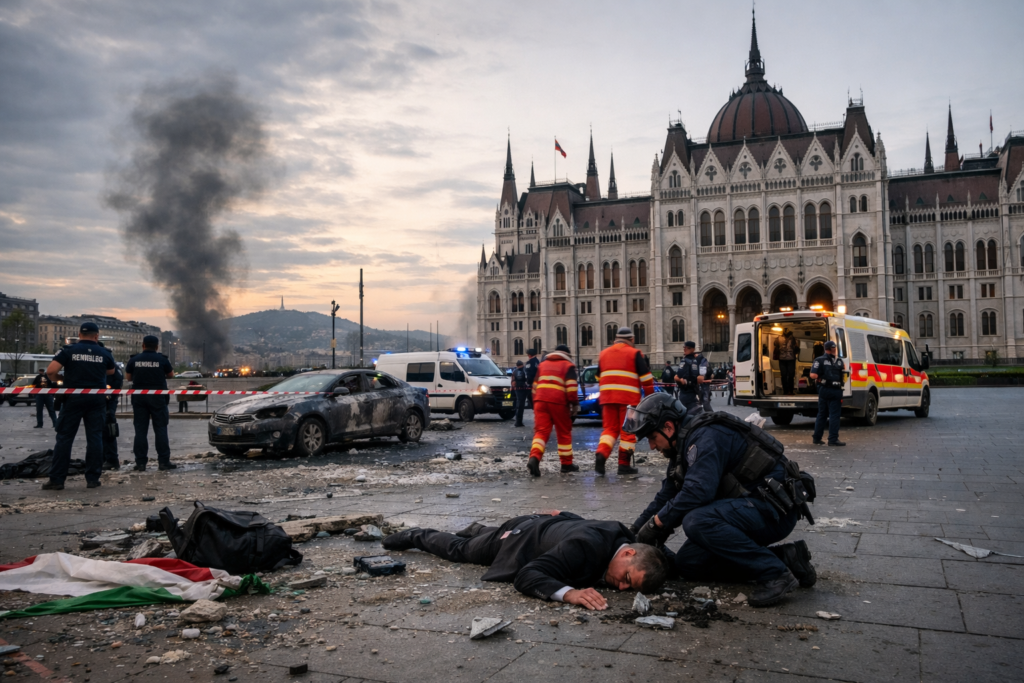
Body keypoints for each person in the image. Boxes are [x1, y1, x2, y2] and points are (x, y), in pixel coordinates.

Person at [621, 393, 817, 607]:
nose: (651, 446)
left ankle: (774, 573)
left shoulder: (705, 437)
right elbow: (667, 495)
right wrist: (635, 531)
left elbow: (697, 492)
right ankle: (788, 558)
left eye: (651, 438)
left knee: (698, 521)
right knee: (689, 564)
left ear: (668, 427)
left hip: (773, 512)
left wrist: (657, 524)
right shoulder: (684, 444)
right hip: (750, 509)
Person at [382, 511, 670, 609]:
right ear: (629, 552)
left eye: (629, 589)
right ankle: (414, 535)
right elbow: (527, 576)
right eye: (627, 579)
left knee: (481, 538)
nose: (621, 588)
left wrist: (562, 517)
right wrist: (568, 593)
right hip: (519, 538)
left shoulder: (621, 534)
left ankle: (480, 530)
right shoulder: (584, 548)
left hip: (542, 525)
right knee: (461, 550)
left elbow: (584, 522)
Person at [42, 322, 117, 490]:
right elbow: (111, 371)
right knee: (95, 438)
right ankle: (92, 479)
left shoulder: (68, 350)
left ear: (79, 334)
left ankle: (57, 480)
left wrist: (60, 377)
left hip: (73, 398)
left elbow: (50, 371)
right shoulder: (104, 352)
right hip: (96, 399)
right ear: (96, 336)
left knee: (64, 438)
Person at [595, 327, 655, 476]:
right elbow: (646, 379)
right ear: (632, 339)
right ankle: (623, 465)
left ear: (615, 339)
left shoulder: (603, 354)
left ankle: (601, 454)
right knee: (628, 431)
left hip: (607, 398)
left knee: (609, 430)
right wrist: (650, 399)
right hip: (628, 400)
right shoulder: (634, 354)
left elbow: (597, 377)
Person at [125, 335, 176, 471]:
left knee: (140, 430)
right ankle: (164, 462)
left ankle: (141, 463)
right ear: (157, 346)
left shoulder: (134, 359)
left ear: (143, 345)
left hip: (139, 397)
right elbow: (171, 375)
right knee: (160, 429)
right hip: (158, 397)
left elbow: (128, 377)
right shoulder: (162, 359)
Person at [528, 345, 579, 475]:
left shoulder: (542, 365)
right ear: (568, 355)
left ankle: (534, 458)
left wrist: (536, 402)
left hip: (540, 401)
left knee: (541, 432)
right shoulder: (568, 366)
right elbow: (572, 389)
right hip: (558, 402)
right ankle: (566, 464)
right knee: (563, 432)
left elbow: (534, 386)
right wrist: (574, 405)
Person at [810, 340, 846, 447]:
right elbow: (813, 375)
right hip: (833, 390)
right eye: (833, 348)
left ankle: (817, 438)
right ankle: (833, 439)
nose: (835, 350)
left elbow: (813, 375)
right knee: (834, 415)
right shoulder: (838, 361)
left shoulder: (820, 360)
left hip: (825, 390)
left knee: (822, 414)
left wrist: (820, 379)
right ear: (830, 349)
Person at [675, 341, 707, 415]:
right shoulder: (698, 361)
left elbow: (678, 376)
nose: (684, 350)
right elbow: (703, 376)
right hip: (695, 392)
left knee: (684, 415)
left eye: (686, 348)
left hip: (685, 393)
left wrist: (677, 378)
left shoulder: (684, 361)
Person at [102, 363, 123, 470]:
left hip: (109, 401)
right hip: (98, 400)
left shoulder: (113, 367)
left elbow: (118, 382)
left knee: (109, 429)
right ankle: (101, 458)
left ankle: (111, 459)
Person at [774, 329, 798, 396]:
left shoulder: (778, 338)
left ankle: (786, 391)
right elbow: (797, 348)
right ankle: (789, 391)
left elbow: (775, 345)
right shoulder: (793, 339)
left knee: (785, 375)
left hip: (783, 358)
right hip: (790, 358)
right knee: (789, 376)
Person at [511, 360, 529, 428]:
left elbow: (512, 382)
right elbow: (527, 379)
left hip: (517, 389)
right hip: (524, 389)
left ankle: (518, 421)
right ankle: (519, 422)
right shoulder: (524, 370)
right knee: (522, 405)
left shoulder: (514, 371)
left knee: (518, 405)